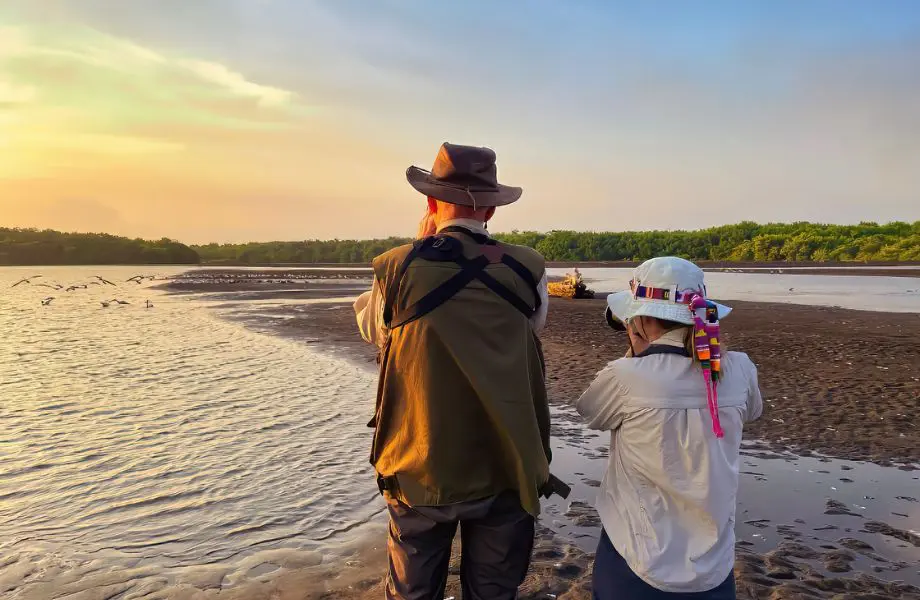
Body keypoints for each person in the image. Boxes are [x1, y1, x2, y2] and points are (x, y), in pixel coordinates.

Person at [354, 142, 565, 600]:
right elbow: (533, 325)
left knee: (412, 592)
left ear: (430, 202)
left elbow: (374, 328)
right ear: (490, 209)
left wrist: (422, 243)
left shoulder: (396, 266)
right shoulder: (527, 266)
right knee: (493, 592)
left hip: (420, 465)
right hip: (508, 463)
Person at [576, 257, 763, 599]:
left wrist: (637, 356)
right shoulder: (741, 369)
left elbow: (590, 414)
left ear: (642, 320)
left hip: (635, 557)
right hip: (714, 566)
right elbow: (752, 411)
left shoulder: (625, 376)